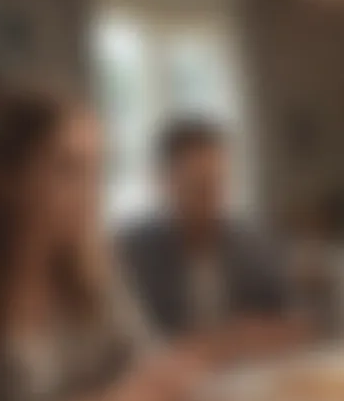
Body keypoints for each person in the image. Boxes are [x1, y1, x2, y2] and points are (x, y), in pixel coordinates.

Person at [0, 88, 197, 401]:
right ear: (5, 177)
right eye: (68, 169)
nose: (91, 192)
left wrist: (166, 377)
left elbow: (146, 358)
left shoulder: (93, 268)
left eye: (97, 171)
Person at [120, 118, 308, 360]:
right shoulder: (134, 255)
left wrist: (267, 333)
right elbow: (135, 348)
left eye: (219, 183)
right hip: (171, 389)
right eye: (198, 187)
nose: (213, 199)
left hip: (248, 381)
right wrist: (222, 342)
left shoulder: (253, 246)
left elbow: (295, 325)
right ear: (166, 184)